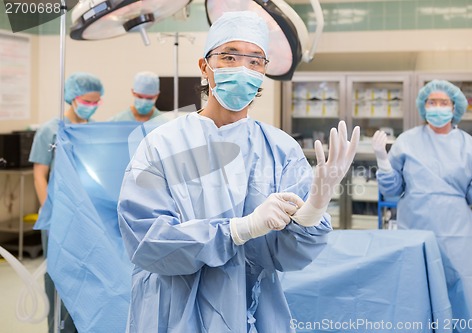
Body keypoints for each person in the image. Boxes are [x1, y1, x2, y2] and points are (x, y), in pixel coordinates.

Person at [117, 11, 359, 333]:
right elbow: (145, 242)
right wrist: (237, 230)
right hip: (173, 312)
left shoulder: (280, 150)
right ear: (205, 66)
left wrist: (311, 214)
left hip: (253, 312)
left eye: (255, 61)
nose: (243, 69)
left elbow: (288, 257)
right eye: (230, 56)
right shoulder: (162, 144)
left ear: (264, 72)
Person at [372, 79, 472, 328]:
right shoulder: (407, 141)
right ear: (424, 106)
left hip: (460, 235)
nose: (437, 107)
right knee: (417, 291)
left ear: (454, 108)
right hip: (415, 229)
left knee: (467, 293)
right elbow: (392, 190)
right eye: (432, 102)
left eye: (443, 102)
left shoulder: (468, 145)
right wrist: (382, 160)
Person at [29, 72, 104, 333]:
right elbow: (40, 174)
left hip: (87, 216)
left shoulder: (93, 129)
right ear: (73, 97)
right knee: (59, 279)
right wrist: (49, 209)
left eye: (96, 102)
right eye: (87, 100)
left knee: (88, 279)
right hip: (58, 215)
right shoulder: (50, 130)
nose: (91, 106)